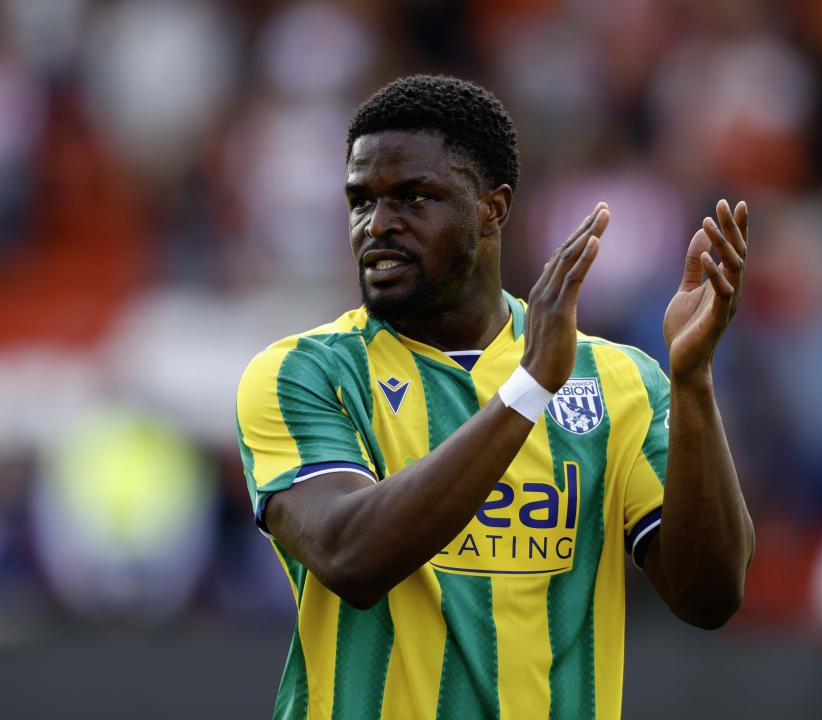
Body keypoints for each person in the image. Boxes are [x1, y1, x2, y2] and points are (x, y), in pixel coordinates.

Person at [236, 74, 754, 720]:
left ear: (492, 208)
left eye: (414, 197)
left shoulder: (616, 382)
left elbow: (709, 597)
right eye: (360, 201)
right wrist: (530, 387)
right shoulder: (303, 374)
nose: (378, 225)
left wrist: (693, 382)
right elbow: (350, 555)